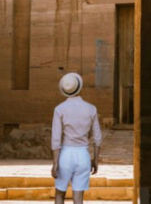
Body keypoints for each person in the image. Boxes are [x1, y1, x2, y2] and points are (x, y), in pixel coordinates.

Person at [51, 72, 102, 203]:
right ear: (79, 87)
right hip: (83, 154)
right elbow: (97, 137)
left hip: (66, 155)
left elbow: (56, 138)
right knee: (78, 198)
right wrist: (95, 159)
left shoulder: (59, 109)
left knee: (59, 194)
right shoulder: (91, 108)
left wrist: (55, 163)